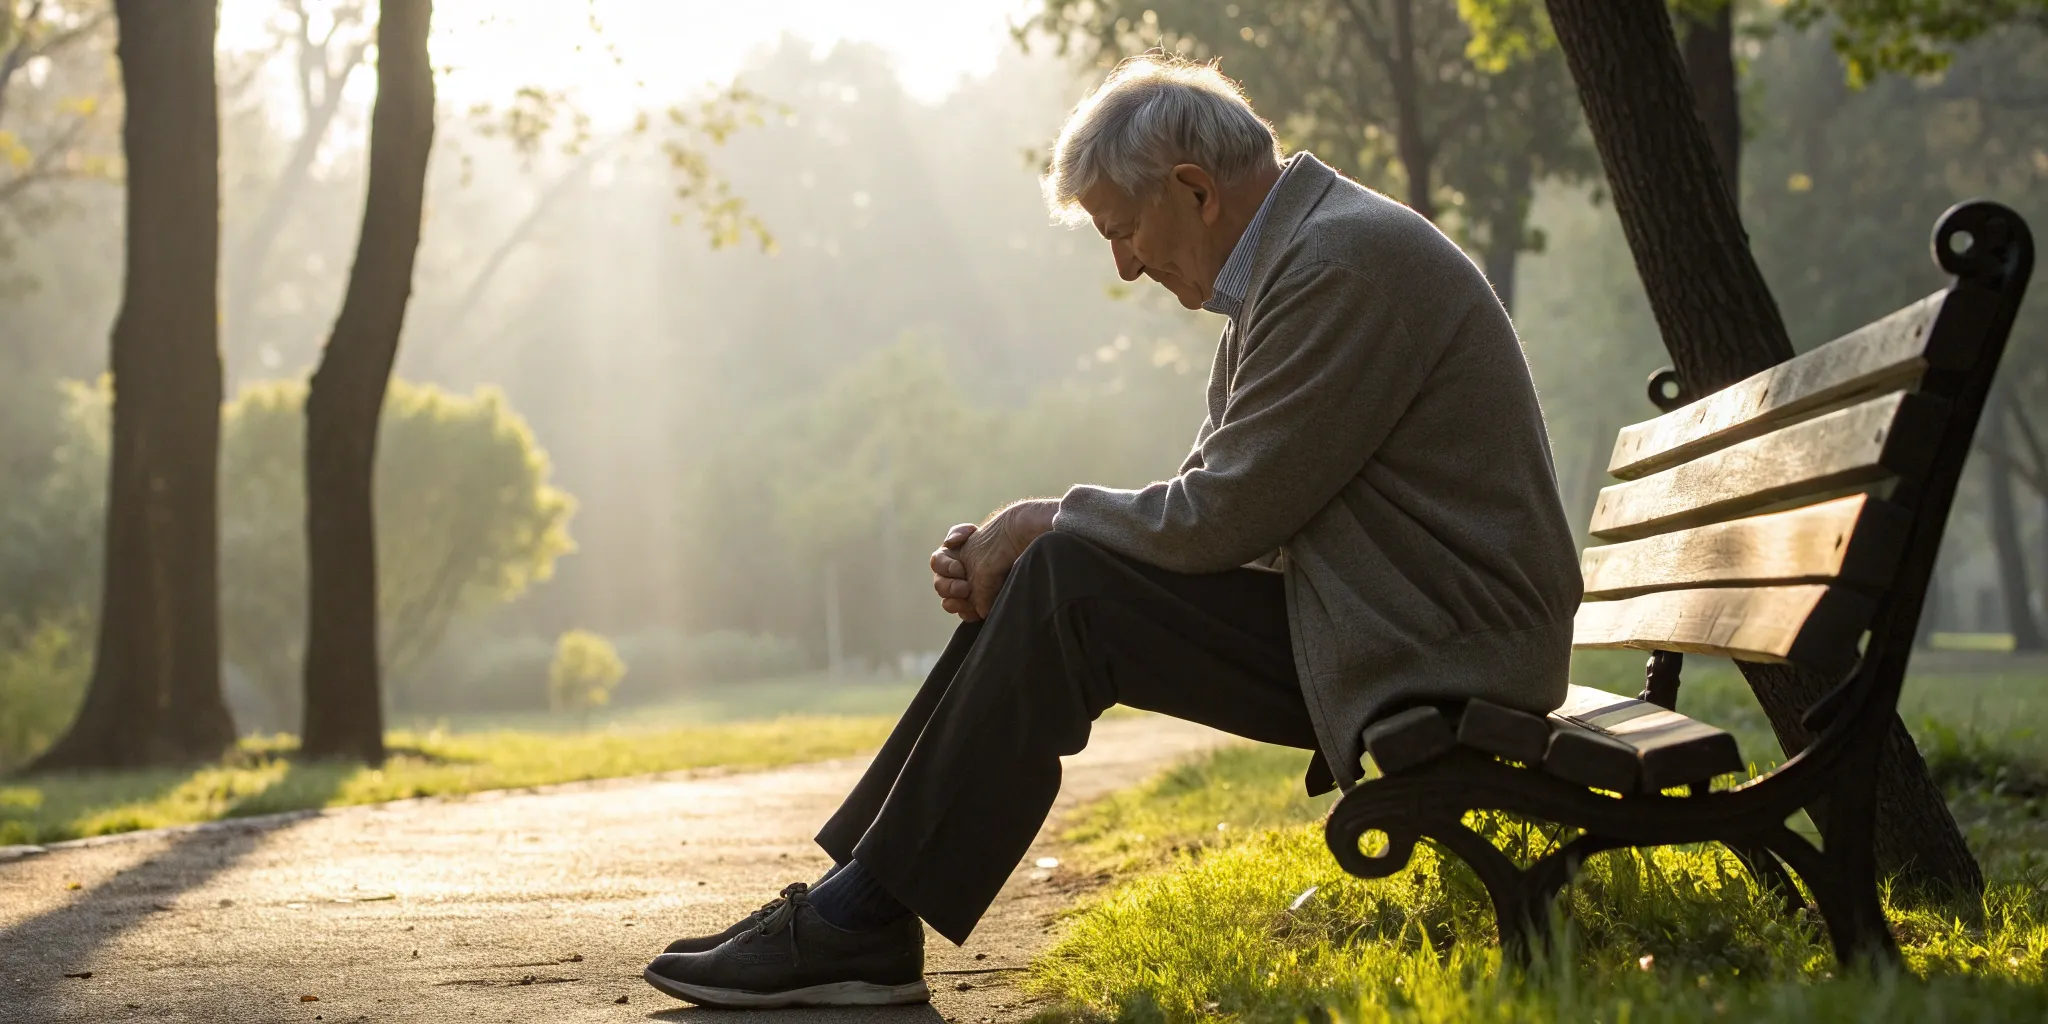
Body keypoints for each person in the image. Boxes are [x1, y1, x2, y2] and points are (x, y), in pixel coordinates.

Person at [643, 53, 1582, 1009]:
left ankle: (857, 920)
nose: (1126, 264)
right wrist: (1025, 547)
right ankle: (859, 905)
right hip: (1389, 620)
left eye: (1123, 231)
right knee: (1061, 573)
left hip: (1444, 644)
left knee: (1068, 582)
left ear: (1194, 190)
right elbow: (1218, 511)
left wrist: (1047, 523)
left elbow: (1219, 519)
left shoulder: (1339, 264)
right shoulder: (1296, 267)